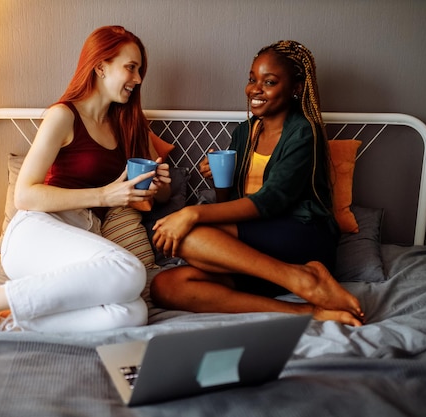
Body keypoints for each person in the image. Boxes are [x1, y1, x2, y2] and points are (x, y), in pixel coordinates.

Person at [0, 26, 171, 336]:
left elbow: (160, 197)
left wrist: (159, 184)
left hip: (81, 240)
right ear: (100, 66)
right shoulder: (63, 116)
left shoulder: (130, 124)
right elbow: (24, 195)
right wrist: (105, 196)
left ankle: (0, 323)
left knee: (131, 313)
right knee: (129, 271)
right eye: (131, 68)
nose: (138, 79)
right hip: (35, 232)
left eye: (139, 70)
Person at [150, 40, 365, 327]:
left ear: (296, 88)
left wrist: (192, 212)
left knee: (189, 233)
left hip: (302, 237)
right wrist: (220, 178)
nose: (255, 89)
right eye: (252, 79)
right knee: (165, 287)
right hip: (259, 254)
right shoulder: (244, 133)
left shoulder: (304, 133)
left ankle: (306, 278)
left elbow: (271, 200)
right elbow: (228, 207)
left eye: (270, 81)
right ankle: (307, 310)